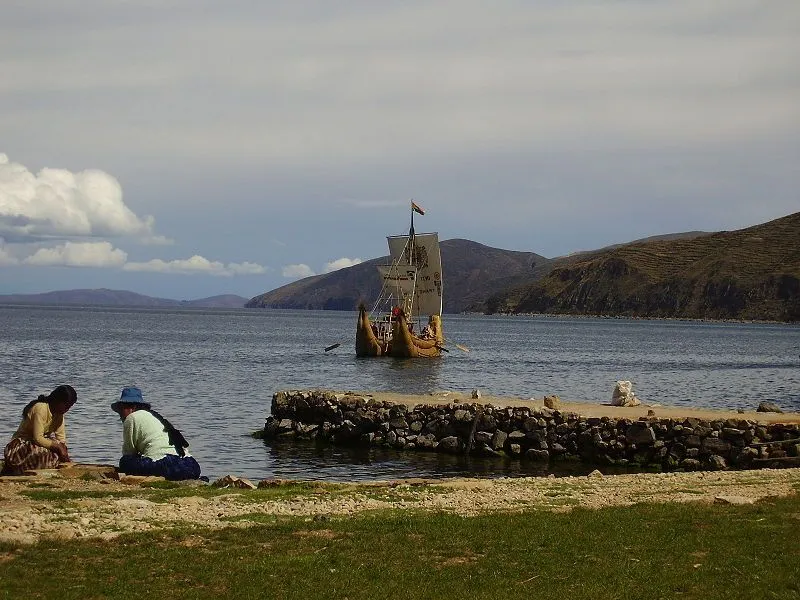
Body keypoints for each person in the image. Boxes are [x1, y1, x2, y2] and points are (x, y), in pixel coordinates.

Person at [111, 386, 202, 481]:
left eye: (122, 408)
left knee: (125, 462)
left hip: (165, 464)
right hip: (191, 465)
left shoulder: (131, 418)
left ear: (132, 407)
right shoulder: (156, 416)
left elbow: (129, 453)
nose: (120, 414)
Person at [1, 385, 77, 475]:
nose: (67, 409)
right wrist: (57, 447)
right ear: (57, 400)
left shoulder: (59, 415)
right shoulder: (40, 409)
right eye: (66, 405)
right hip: (21, 446)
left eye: (69, 407)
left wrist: (63, 452)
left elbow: (61, 439)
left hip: (37, 444)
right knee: (43, 452)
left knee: (56, 452)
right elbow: (38, 438)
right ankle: (16, 469)